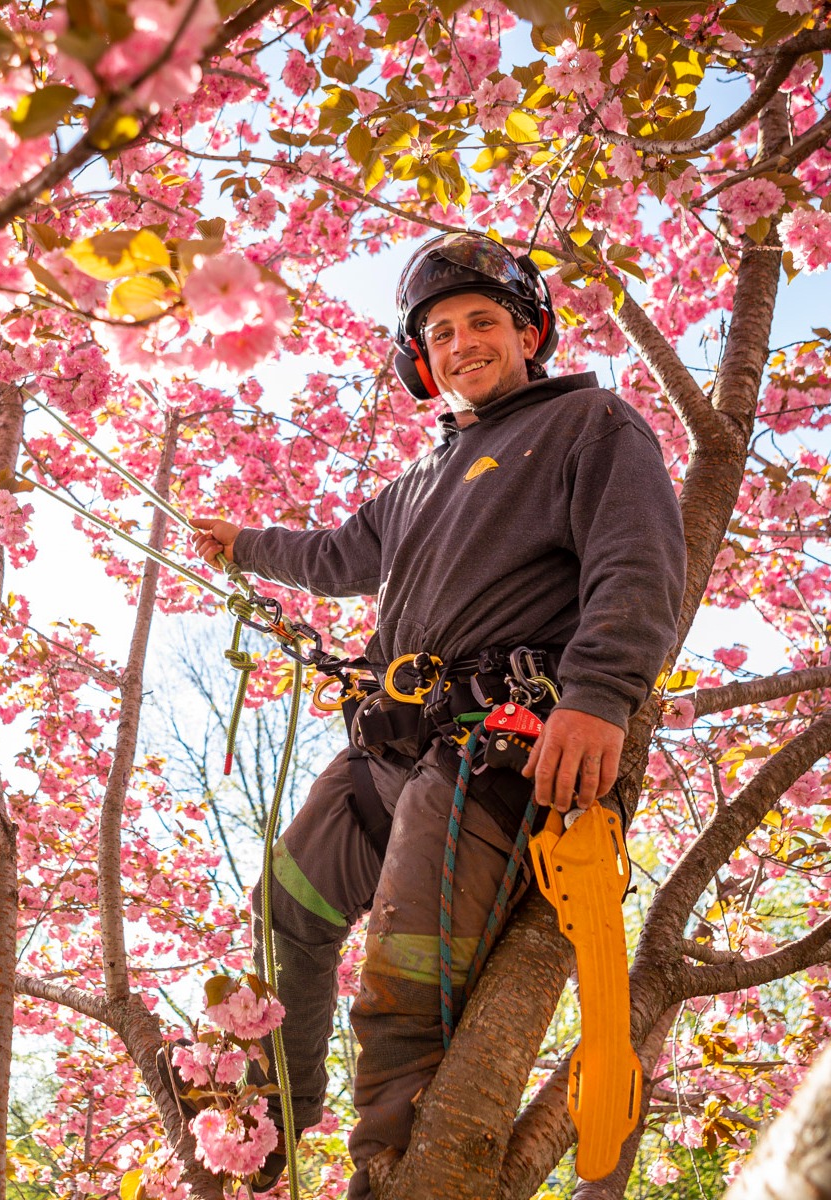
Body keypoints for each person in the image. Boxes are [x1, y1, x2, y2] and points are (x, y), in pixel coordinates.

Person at [189, 231, 686, 1198]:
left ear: (528, 333)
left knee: (406, 982)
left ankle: (388, 1174)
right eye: (443, 331)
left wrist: (600, 697)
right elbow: (337, 557)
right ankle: (272, 1125)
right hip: (387, 748)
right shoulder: (418, 483)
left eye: (483, 323)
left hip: (487, 755)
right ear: (422, 360)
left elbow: (638, 564)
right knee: (286, 908)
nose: (463, 342)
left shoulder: (591, 425)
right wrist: (243, 544)